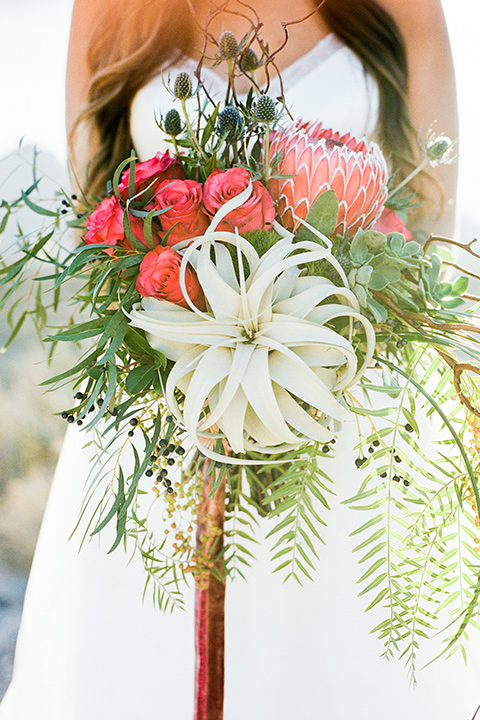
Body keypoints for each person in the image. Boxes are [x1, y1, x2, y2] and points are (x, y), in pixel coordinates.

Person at [2, 1, 477, 719]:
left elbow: (430, 218)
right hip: (163, 406)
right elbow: (96, 216)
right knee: (141, 665)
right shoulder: (112, 8)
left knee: (336, 661)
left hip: (343, 408)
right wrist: (194, 348)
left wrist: (318, 358)